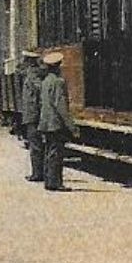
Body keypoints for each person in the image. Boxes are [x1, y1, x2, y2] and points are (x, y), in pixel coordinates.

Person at [36, 52, 75, 192]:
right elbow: (61, 105)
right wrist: (71, 126)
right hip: (55, 123)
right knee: (56, 153)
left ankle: (49, 181)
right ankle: (55, 183)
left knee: (49, 152)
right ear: (57, 66)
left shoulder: (45, 82)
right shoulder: (59, 82)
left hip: (45, 122)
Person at [18, 51, 44, 183]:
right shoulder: (31, 74)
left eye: (25, 60)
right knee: (35, 145)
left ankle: (37, 173)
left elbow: (40, 92)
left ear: (29, 61)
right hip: (32, 114)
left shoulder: (33, 75)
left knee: (35, 146)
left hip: (34, 115)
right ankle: (37, 172)